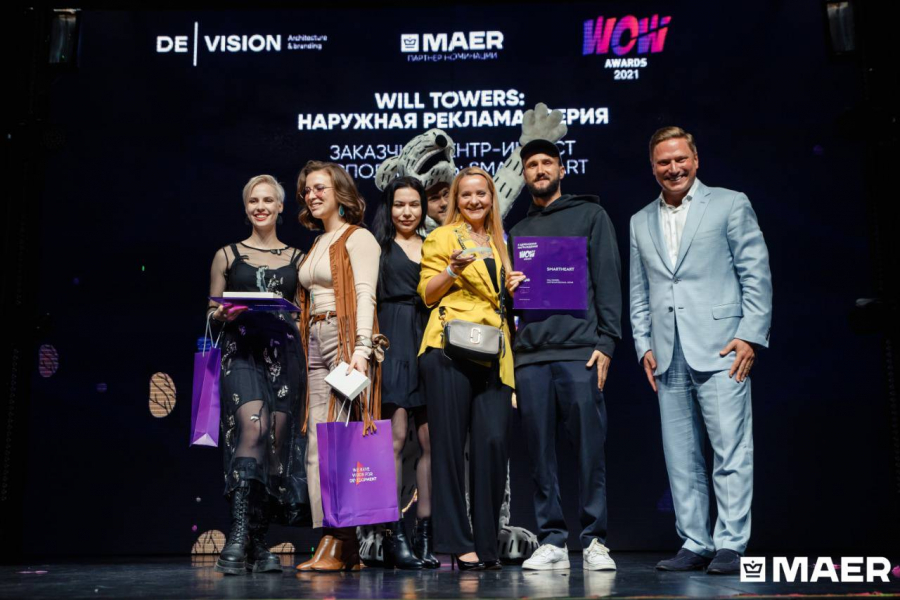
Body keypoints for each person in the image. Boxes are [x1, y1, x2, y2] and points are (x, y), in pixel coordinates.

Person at [629, 127, 772, 575]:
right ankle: (695, 541)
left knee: (730, 449)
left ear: (695, 159)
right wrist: (643, 345)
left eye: (680, 159)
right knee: (681, 456)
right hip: (667, 351)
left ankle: (730, 543)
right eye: (663, 162)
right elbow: (639, 290)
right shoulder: (639, 220)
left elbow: (756, 273)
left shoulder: (730, 203)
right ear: (653, 167)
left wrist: (750, 334)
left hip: (723, 346)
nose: (673, 168)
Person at [505, 139, 622, 571]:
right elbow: (509, 308)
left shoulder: (590, 215)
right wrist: (510, 292)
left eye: (547, 163)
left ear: (561, 169)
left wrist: (606, 342)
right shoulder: (517, 232)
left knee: (590, 450)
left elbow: (608, 279)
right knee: (539, 455)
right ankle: (552, 540)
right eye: (531, 165)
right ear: (524, 174)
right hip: (530, 356)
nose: (539, 170)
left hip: (579, 352)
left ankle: (594, 540)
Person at [207, 174, 307, 575]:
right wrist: (221, 313)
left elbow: (307, 310)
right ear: (246, 207)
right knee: (253, 428)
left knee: (275, 444)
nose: (261, 206)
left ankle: (258, 541)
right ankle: (237, 536)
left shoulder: (299, 258)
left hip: (284, 354)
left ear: (281, 207)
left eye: (268, 200)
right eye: (254, 200)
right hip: (242, 351)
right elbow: (210, 315)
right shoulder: (227, 255)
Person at [417, 166, 515, 571]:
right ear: (456, 200)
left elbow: (503, 300)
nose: (474, 200)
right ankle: (457, 542)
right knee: (449, 447)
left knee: (493, 443)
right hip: (448, 348)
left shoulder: (502, 243)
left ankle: (488, 543)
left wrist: (515, 289)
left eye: (481, 194)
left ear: (492, 198)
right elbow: (427, 293)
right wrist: (451, 270)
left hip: (494, 351)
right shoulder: (442, 237)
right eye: (466, 194)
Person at [294, 161, 383, 572]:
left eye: (320, 188)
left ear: (340, 193)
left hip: (344, 340)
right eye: (307, 190)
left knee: (339, 441)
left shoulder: (358, 237)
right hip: (313, 340)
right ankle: (336, 538)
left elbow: (365, 294)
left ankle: (341, 538)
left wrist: (362, 348)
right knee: (317, 441)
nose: (311, 195)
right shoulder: (317, 242)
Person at [372, 177, 436, 570]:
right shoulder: (377, 248)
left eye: (414, 204)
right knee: (394, 440)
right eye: (399, 204)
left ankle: (425, 535)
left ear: (423, 208)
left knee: (430, 442)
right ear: (389, 207)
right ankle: (394, 534)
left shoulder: (434, 245)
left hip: (428, 340)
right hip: (392, 341)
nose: (407, 212)